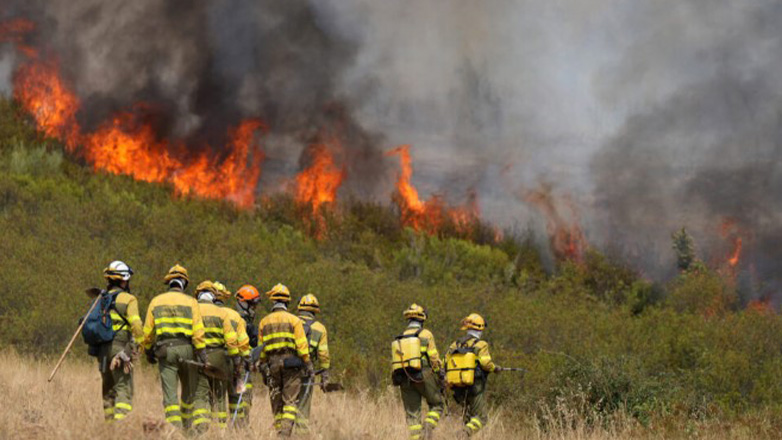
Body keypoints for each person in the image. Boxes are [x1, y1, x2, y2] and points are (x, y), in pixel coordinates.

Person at [141, 264, 208, 430]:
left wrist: (148, 351)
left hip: (165, 352)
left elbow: (147, 332)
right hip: (187, 350)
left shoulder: (156, 302)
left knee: (170, 397)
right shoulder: (192, 302)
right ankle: (186, 429)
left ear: (169, 283)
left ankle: (174, 431)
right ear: (184, 283)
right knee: (188, 393)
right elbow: (198, 332)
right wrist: (202, 355)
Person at [257, 283, 313, 437]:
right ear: (287, 302)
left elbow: (261, 351)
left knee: (276, 403)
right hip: (291, 366)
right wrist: (308, 364)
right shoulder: (295, 321)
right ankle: (285, 434)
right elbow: (302, 346)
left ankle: (278, 432)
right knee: (290, 402)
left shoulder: (264, 322)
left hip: (272, 365)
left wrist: (263, 368)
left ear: (273, 301)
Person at [94, 261, 143, 421]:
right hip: (120, 348)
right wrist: (140, 344)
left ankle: (109, 429)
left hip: (102, 351)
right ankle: (121, 429)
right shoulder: (129, 299)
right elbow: (136, 325)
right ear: (124, 280)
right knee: (124, 388)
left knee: (107, 390)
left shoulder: (101, 299)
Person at [391, 304, 444, 440]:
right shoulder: (425, 334)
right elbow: (433, 358)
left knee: (412, 414)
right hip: (424, 375)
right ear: (422, 318)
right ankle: (427, 430)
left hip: (404, 378)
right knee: (437, 405)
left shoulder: (401, 337)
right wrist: (440, 374)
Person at [445, 313, 502, 438]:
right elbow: (486, 363)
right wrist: (495, 368)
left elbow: (445, 362)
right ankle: (462, 435)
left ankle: (464, 435)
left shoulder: (455, 344)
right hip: (474, 386)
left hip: (457, 387)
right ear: (480, 328)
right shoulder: (481, 344)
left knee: (469, 417)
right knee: (481, 418)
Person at [193, 280, 239, 429]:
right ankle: (221, 431)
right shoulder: (222, 313)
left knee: (200, 395)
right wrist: (236, 362)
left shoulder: (192, 310)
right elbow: (231, 341)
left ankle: (202, 429)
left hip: (198, 358)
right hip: (220, 358)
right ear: (213, 296)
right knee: (219, 396)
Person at [294, 294, 331, 434]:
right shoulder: (320, 328)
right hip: (307, 372)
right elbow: (323, 355)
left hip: (287, 370)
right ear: (315, 311)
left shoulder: (291, 322)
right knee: (303, 407)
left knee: (287, 405)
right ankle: (301, 435)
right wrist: (325, 375)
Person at [227, 284, 260, 425]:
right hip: (239, 365)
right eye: (252, 304)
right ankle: (241, 426)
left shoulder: (236, 318)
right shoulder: (240, 321)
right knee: (243, 395)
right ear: (243, 303)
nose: (254, 308)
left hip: (234, 362)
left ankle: (240, 425)